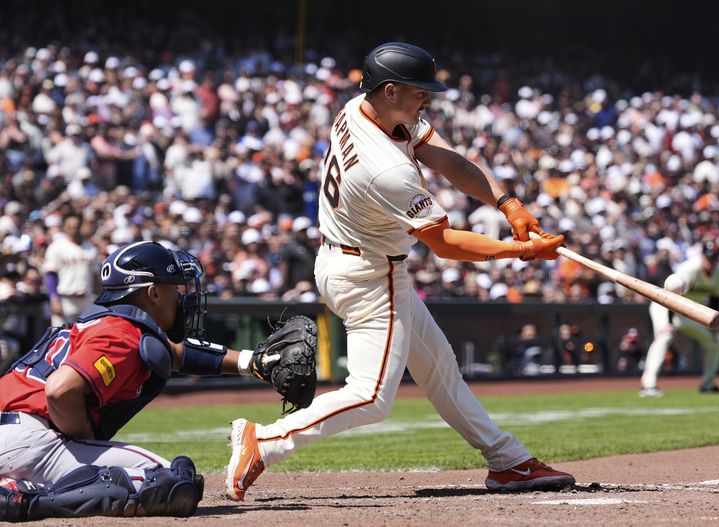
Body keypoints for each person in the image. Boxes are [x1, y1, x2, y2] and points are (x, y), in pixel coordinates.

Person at [225, 42, 574, 500]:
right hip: (370, 275)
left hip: (357, 260)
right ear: (390, 90)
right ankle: (265, 440)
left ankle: (508, 462)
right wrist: (518, 251)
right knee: (371, 395)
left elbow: (449, 160)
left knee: (439, 369)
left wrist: (508, 204)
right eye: (419, 91)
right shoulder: (385, 168)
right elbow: (444, 244)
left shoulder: (362, 108)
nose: (428, 98)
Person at [0, 241, 266, 520]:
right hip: (28, 441)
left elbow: (175, 353)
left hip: (16, 434)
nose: (181, 298)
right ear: (153, 293)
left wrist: (254, 363)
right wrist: (86, 443)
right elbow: (60, 390)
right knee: (173, 481)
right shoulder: (122, 331)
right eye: (175, 289)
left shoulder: (102, 323)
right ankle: (25, 499)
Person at [639, 239, 719, 397]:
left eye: (714, 258)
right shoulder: (689, 268)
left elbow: (715, 298)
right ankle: (648, 384)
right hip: (665, 306)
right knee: (665, 337)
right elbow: (672, 295)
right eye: (708, 258)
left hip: (691, 312)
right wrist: (670, 322)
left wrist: (713, 323)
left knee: (717, 340)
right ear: (702, 256)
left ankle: (707, 384)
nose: (711, 262)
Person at [42, 213, 100, 327]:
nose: (74, 229)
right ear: (64, 227)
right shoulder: (56, 247)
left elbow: (95, 276)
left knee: (84, 336)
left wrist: (98, 299)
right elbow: (50, 275)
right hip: (65, 299)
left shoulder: (90, 248)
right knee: (60, 336)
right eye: (70, 226)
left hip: (86, 298)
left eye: (76, 226)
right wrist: (54, 298)